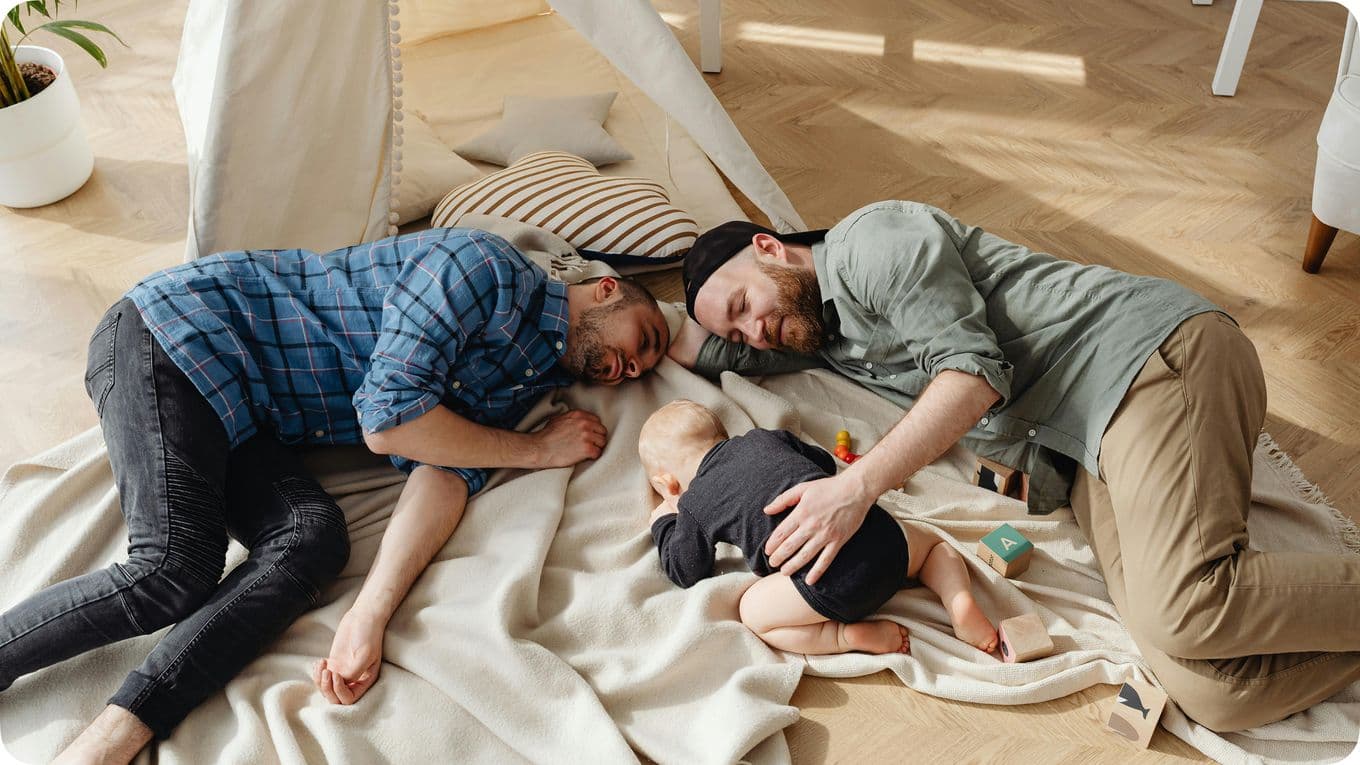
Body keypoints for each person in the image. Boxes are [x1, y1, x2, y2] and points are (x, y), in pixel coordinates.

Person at [666, 200, 1360, 731]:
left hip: (1144, 363)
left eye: (744, 305)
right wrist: (618, 317)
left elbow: (973, 377)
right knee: (1215, 693)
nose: (753, 332)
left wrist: (855, 487)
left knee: (1190, 608)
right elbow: (683, 342)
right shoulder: (811, 331)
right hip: (1083, 449)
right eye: (737, 331)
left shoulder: (875, 243)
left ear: (770, 247)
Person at [0, 228, 669, 765]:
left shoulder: (525, 385)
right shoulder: (485, 268)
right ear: (605, 287)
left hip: (249, 421)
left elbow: (441, 472)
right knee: (174, 567)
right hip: (180, 336)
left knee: (313, 541)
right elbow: (389, 421)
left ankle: (119, 730)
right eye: (643, 339)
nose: (634, 367)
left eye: (642, 370)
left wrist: (366, 618)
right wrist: (534, 451)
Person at [639, 399, 997, 657]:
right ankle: (958, 600)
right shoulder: (763, 437)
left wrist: (665, 522)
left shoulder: (695, 502)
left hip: (831, 587)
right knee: (932, 546)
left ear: (668, 484)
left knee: (752, 612)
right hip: (885, 543)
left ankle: (843, 637)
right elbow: (823, 462)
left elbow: (685, 569)